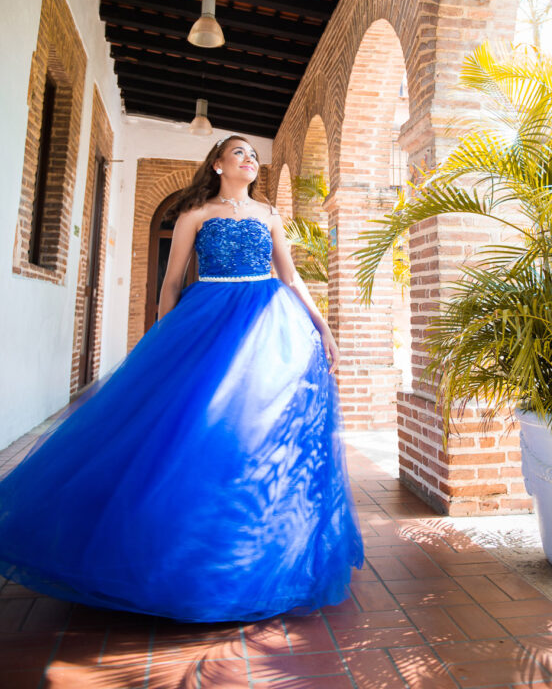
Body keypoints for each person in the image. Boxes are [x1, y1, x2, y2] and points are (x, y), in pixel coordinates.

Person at [0, 135, 363, 622]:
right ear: (217, 164)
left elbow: (291, 279)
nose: (250, 159)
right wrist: (159, 344)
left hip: (267, 325)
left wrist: (324, 328)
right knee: (193, 430)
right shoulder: (194, 215)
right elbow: (172, 284)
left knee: (255, 431)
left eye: (253, 154)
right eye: (239, 153)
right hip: (206, 321)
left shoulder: (271, 216)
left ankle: (251, 555)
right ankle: (172, 552)